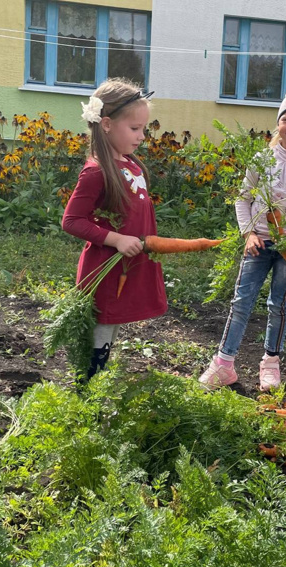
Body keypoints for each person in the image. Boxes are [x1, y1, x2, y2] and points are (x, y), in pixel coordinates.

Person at [198, 82, 286, 391]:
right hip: (258, 245)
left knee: (278, 306)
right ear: (278, 123)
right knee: (241, 302)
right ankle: (224, 364)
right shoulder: (260, 160)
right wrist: (249, 233)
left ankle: (270, 363)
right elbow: (243, 199)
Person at [62, 78, 167, 379]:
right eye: (135, 129)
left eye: (143, 129)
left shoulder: (130, 164)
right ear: (106, 124)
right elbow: (71, 220)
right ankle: (88, 393)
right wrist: (117, 238)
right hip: (105, 270)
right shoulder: (96, 171)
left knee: (112, 325)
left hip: (126, 266)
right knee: (101, 329)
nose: (142, 136)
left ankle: (97, 384)